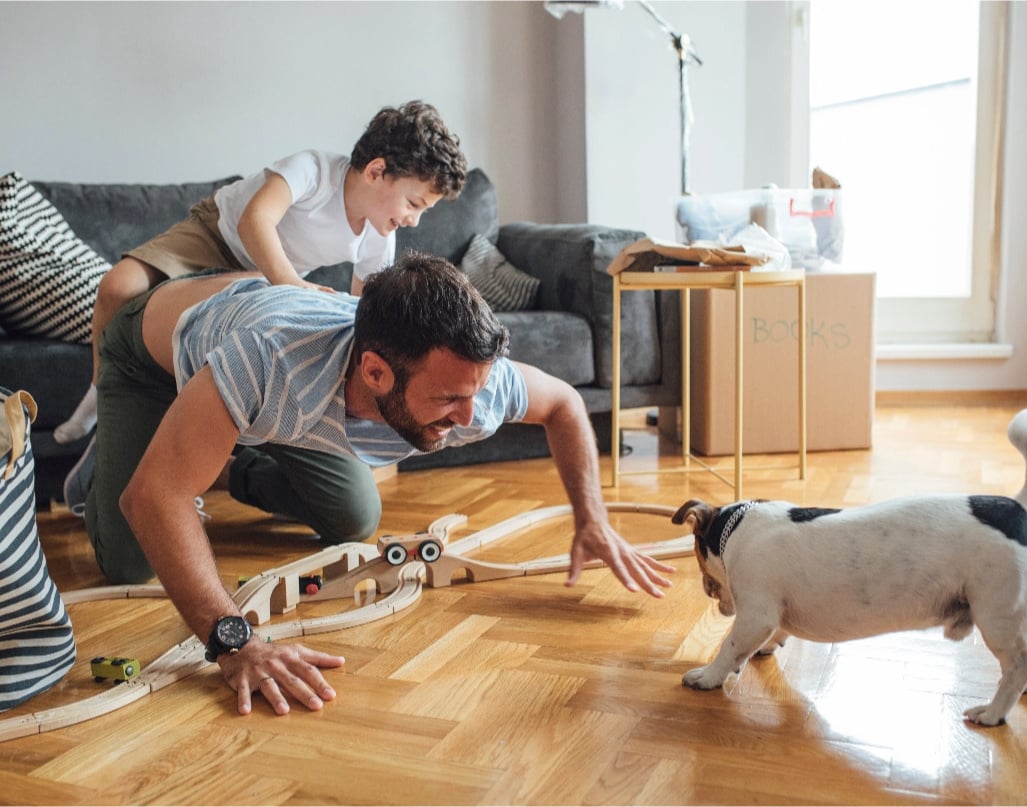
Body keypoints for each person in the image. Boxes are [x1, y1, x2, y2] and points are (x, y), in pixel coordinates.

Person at [78, 253, 675, 716]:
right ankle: (150, 448)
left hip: (274, 398)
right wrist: (235, 644)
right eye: (447, 400)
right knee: (132, 551)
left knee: (354, 520)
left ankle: (223, 456)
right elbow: (155, 497)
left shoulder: (473, 384)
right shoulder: (268, 360)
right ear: (374, 372)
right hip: (153, 352)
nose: (470, 419)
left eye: (474, 394)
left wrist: (591, 518)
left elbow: (566, 405)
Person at [54, 99, 466, 446]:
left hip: (254, 279)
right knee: (117, 286)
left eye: (423, 211)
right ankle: (96, 400)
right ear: (376, 172)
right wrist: (293, 285)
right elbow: (255, 220)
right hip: (217, 236)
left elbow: (367, 316)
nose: (413, 220)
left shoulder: (379, 235)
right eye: (413, 204)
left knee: (200, 346)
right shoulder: (314, 170)